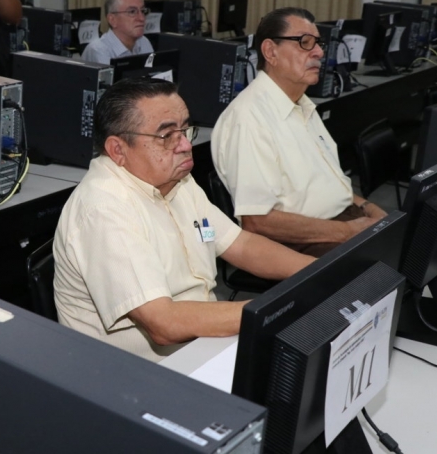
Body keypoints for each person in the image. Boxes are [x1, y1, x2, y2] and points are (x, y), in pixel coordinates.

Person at [53, 78, 314, 362]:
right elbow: (164, 324)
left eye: (185, 129)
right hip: (142, 378)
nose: (185, 145)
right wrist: (276, 310)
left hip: (202, 344)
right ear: (118, 150)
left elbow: (240, 245)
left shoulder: (177, 180)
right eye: (166, 136)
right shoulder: (103, 209)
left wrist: (324, 272)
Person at [211, 7, 388, 257]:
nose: (319, 52)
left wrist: (368, 207)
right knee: (396, 260)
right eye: (305, 43)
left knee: (416, 241)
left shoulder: (303, 106)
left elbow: (330, 186)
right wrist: (347, 231)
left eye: (318, 43)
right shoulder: (249, 119)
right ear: (271, 51)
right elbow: (258, 222)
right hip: (297, 241)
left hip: (342, 221)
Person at [81, 0, 154, 65]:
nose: (142, 18)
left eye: (143, 11)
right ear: (112, 20)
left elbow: (152, 74)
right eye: (132, 12)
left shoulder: (144, 42)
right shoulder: (98, 50)